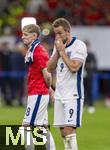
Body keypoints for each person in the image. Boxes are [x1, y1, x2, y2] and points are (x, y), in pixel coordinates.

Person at [47, 18, 87, 150]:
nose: (57, 36)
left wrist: (62, 52)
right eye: (55, 33)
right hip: (59, 94)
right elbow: (49, 68)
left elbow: (74, 67)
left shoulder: (79, 45)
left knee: (70, 131)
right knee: (63, 132)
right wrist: (58, 53)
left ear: (68, 31)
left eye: (60, 33)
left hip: (73, 94)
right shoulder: (57, 46)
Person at [21, 18, 55, 150]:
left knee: (26, 127)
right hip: (37, 92)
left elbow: (47, 74)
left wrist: (49, 90)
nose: (23, 37)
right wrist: (50, 90)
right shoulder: (33, 49)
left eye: (26, 34)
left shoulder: (39, 50)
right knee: (42, 127)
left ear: (34, 36)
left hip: (38, 93)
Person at [84, 40, 97, 113]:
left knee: (89, 90)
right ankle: (82, 105)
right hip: (82, 76)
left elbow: (95, 65)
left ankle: (91, 105)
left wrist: (89, 66)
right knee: (82, 91)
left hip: (89, 75)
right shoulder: (81, 54)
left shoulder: (91, 55)